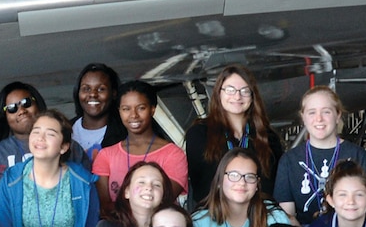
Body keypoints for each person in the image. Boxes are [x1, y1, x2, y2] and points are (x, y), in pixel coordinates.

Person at [184, 64, 284, 203]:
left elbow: (273, 185)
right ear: (219, 93)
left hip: (259, 215)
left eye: (244, 91)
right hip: (214, 215)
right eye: (230, 90)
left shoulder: (268, 136)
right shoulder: (200, 134)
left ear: (252, 95)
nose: (237, 96)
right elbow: (200, 185)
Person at [272, 87, 366, 223]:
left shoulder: (358, 156)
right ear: (303, 117)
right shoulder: (289, 160)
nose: (319, 119)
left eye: (326, 112)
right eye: (312, 112)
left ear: (337, 116)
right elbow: (286, 216)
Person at [90, 80, 188, 215]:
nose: (133, 115)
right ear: (119, 111)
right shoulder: (106, 155)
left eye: (141, 108)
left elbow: (164, 201)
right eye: (126, 109)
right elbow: (104, 206)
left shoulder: (173, 154)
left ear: (152, 109)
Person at [0, 81, 46, 197]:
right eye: (12, 108)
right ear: (4, 117)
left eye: (26, 103)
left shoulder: (64, 144)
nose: (21, 111)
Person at [71, 63, 125, 159]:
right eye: (86, 89)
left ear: (114, 93)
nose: (93, 94)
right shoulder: (64, 129)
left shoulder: (124, 133)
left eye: (101, 89)